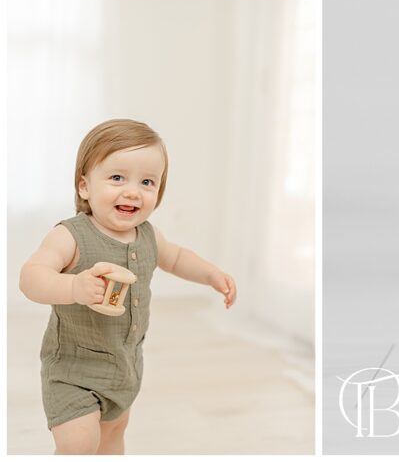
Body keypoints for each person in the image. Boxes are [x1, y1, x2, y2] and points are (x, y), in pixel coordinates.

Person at [19, 118, 238, 454]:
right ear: (84, 187)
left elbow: (177, 258)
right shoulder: (70, 235)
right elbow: (31, 277)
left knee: (112, 439)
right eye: (117, 177)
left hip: (124, 368)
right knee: (79, 444)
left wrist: (211, 275)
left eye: (148, 182)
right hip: (73, 370)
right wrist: (74, 287)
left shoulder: (148, 235)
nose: (133, 190)